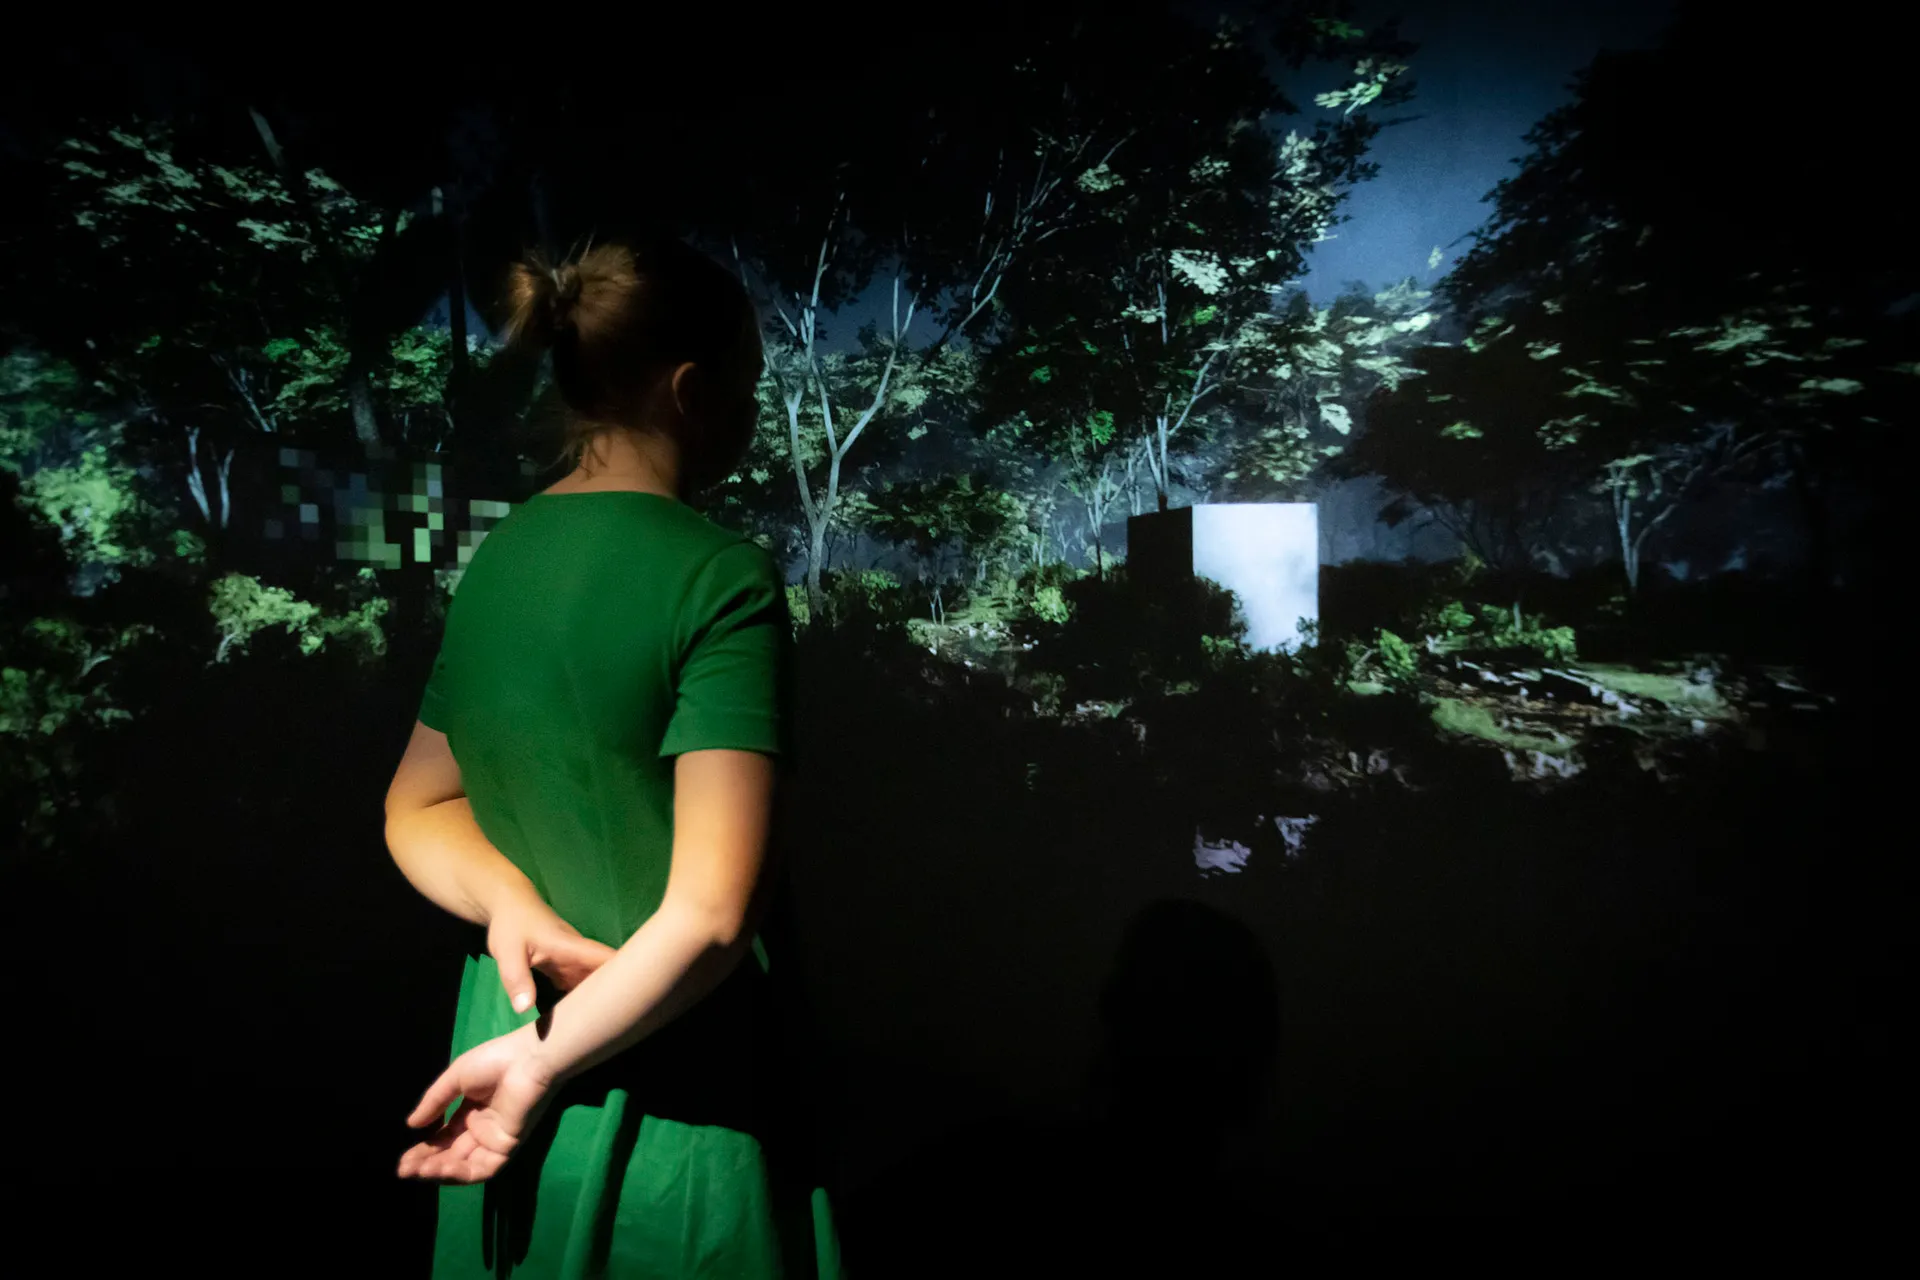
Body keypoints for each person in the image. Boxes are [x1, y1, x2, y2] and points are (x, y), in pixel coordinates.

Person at [383, 237, 842, 1278]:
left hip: (497, 1052)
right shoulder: (720, 577)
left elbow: (415, 807)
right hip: (674, 1092)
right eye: (749, 385)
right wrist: (540, 1063)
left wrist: (511, 906)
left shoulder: (500, 562)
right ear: (692, 391)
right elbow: (711, 915)